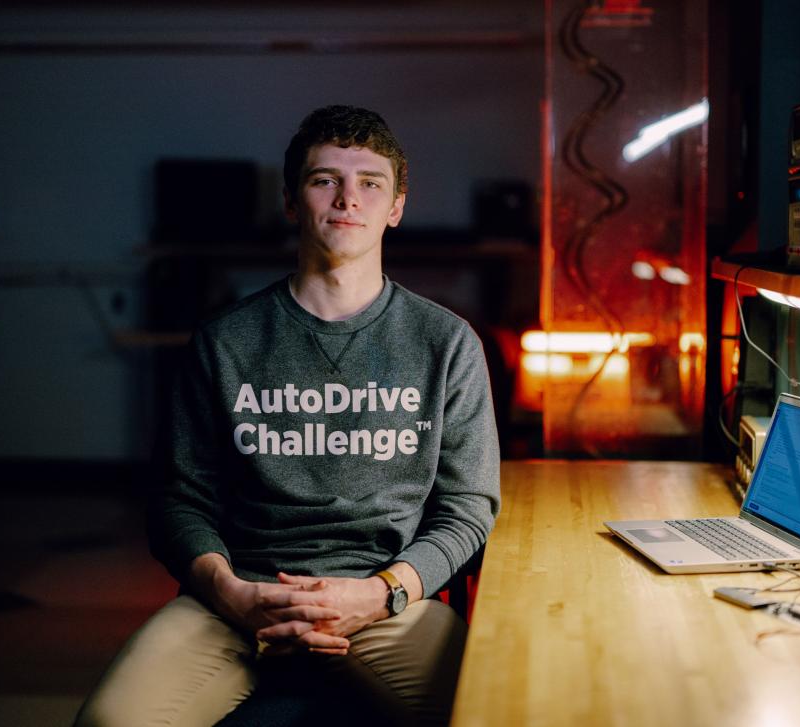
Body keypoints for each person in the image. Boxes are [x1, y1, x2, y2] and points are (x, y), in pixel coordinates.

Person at [74, 105, 501, 727]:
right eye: (325, 179)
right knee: (111, 723)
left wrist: (382, 592)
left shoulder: (447, 342)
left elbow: (468, 508)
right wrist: (230, 592)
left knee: (497, 710)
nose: (348, 198)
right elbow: (177, 499)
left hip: (385, 600)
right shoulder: (225, 340)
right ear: (292, 203)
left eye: (370, 183)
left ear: (396, 207)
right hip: (239, 600)